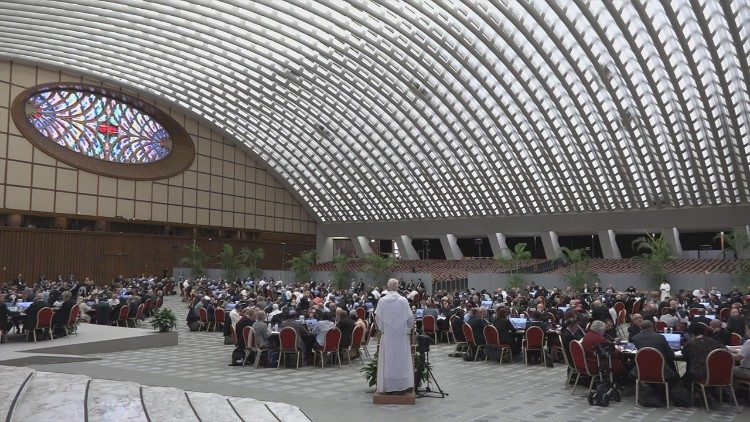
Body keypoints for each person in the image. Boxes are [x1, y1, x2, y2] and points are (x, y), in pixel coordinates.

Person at [375, 278, 415, 395]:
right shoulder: (403, 301)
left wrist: (383, 329)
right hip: (401, 335)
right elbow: (410, 318)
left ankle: (388, 386)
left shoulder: (382, 301)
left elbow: (378, 319)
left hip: (388, 335)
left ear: (388, 287)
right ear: (397, 287)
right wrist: (407, 329)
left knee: (388, 359)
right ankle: (401, 386)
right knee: (401, 359)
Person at [682, 322, 725, 389]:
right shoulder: (712, 341)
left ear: (691, 333)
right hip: (715, 371)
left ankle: (693, 394)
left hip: (699, 373)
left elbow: (684, 355)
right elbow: (724, 350)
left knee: (687, 375)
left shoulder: (689, 344)